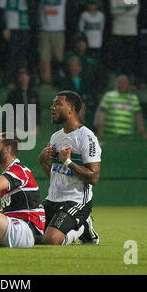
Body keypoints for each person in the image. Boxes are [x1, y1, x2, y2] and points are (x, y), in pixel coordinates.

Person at [38, 90, 101, 245]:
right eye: (53, 104)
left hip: (76, 201)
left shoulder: (86, 137)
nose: (53, 108)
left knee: (51, 241)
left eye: (58, 104)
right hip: (52, 200)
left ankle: (84, 225)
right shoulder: (56, 137)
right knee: (29, 236)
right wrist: (42, 159)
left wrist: (68, 162)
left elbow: (93, 177)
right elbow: (55, 175)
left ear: (71, 109)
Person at [31, 0, 72, 87]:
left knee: (59, 58)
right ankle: (46, 81)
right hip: (44, 32)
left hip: (58, 32)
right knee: (45, 58)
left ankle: (59, 80)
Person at [0, 0, 30, 87]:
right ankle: (9, 80)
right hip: (12, 27)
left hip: (24, 27)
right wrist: (4, 27)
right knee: (12, 55)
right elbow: (1, 10)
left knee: (22, 56)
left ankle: (21, 81)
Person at [95, 75, 147, 139]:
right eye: (120, 82)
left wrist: (141, 130)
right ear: (117, 84)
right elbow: (102, 114)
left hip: (128, 136)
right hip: (110, 136)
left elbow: (138, 116)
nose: (122, 85)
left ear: (128, 85)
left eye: (125, 83)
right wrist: (100, 128)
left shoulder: (133, 98)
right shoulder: (109, 96)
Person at [109, 0, 139, 77]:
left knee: (130, 58)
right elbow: (113, 11)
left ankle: (129, 79)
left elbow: (135, 12)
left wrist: (120, 9)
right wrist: (127, 8)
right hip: (117, 30)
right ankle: (118, 79)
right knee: (118, 57)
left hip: (130, 30)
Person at [5, 68, 41, 133]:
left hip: (32, 127)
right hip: (18, 127)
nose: (23, 78)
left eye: (25, 75)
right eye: (21, 76)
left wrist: (37, 125)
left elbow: (37, 111)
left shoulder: (33, 94)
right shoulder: (13, 94)